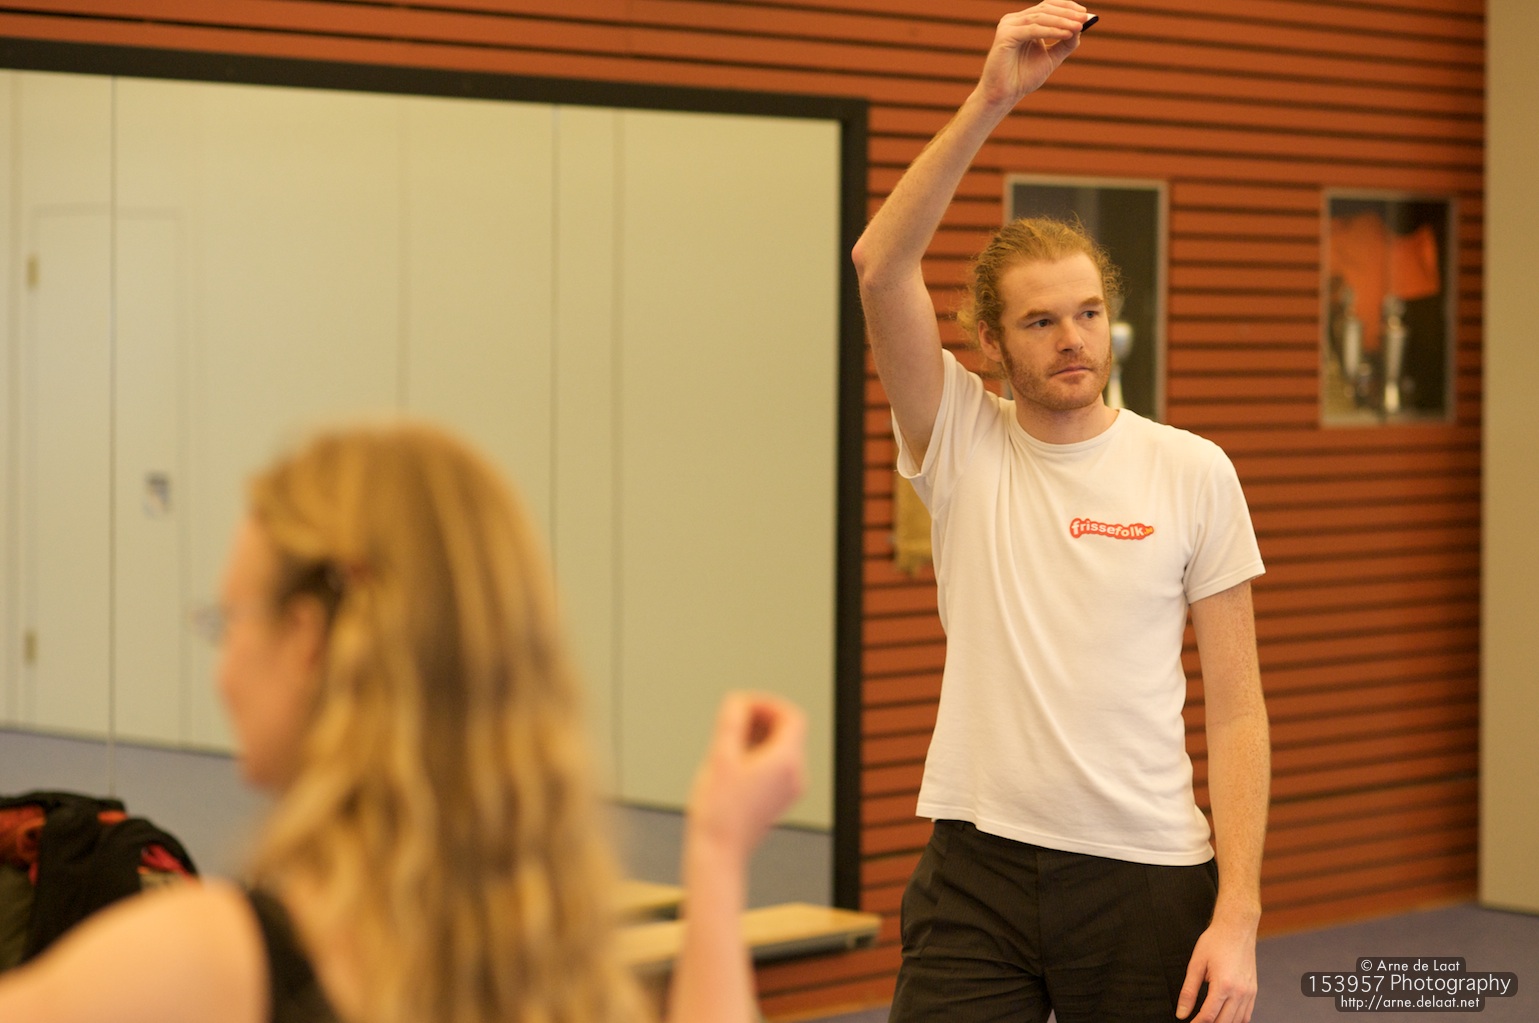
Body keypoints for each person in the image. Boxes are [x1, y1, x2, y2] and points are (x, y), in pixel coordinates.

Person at [0, 422, 807, 1023]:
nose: (223, 665)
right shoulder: (545, 963)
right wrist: (715, 855)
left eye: (229, 620)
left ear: (306, 640)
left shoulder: (210, 958)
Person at [850, 5, 1270, 1023]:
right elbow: (879, 265)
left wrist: (1239, 914)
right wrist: (991, 98)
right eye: (1039, 321)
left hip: (1147, 873)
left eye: (1087, 312)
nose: (1072, 338)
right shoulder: (961, 438)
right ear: (990, 345)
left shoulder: (1192, 470)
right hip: (977, 871)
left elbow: (1237, 709)